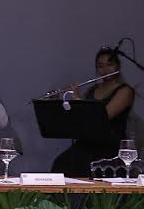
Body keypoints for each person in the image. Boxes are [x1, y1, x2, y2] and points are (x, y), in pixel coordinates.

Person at [51, 46, 135, 176]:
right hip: (88, 143)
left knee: (79, 166)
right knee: (61, 164)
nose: (105, 69)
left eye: (109, 64)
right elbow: (80, 119)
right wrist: (62, 101)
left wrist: (78, 99)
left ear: (118, 67)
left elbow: (102, 117)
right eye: (101, 66)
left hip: (108, 146)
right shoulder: (93, 89)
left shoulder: (125, 91)